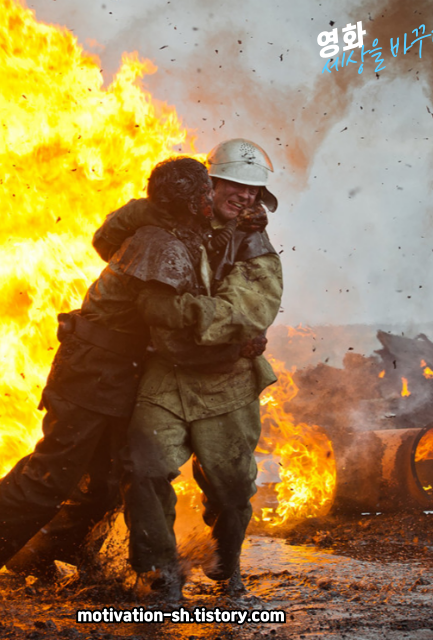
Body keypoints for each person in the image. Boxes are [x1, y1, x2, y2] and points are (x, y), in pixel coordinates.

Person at [0, 157, 218, 589]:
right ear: (187, 201)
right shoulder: (157, 244)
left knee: (106, 481)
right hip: (92, 372)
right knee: (49, 476)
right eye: (203, 192)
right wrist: (223, 348)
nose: (210, 198)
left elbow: (108, 240)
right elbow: (166, 323)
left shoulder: (164, 222)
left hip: (115, 372)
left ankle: (43, 555)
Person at [121, 139, 283, 599]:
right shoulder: (170, 221)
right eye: (234, 183)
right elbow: (114, 240)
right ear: (207, 184)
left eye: (253, 189)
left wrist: (177, 311)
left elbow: (248, 311)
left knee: (232, 490)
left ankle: (225, 562)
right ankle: (159, 572)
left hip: (226, 380)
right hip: (168, 374)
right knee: (143, 468)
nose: (245, 195)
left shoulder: (254, 245)